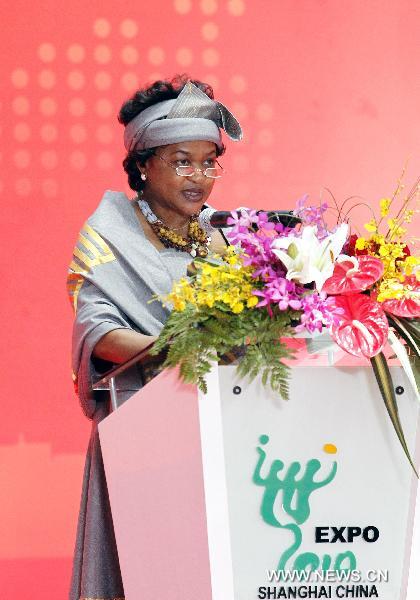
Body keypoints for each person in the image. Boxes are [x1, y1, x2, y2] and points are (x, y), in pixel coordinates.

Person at [67, 75, 243, 600]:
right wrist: (179, 346)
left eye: (209, 161)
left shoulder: (225, 235)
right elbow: (97, 332)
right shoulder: (111, 232)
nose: (200, 177)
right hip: (141, 430)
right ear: (143, 165)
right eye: (181, 161)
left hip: (222, 432)